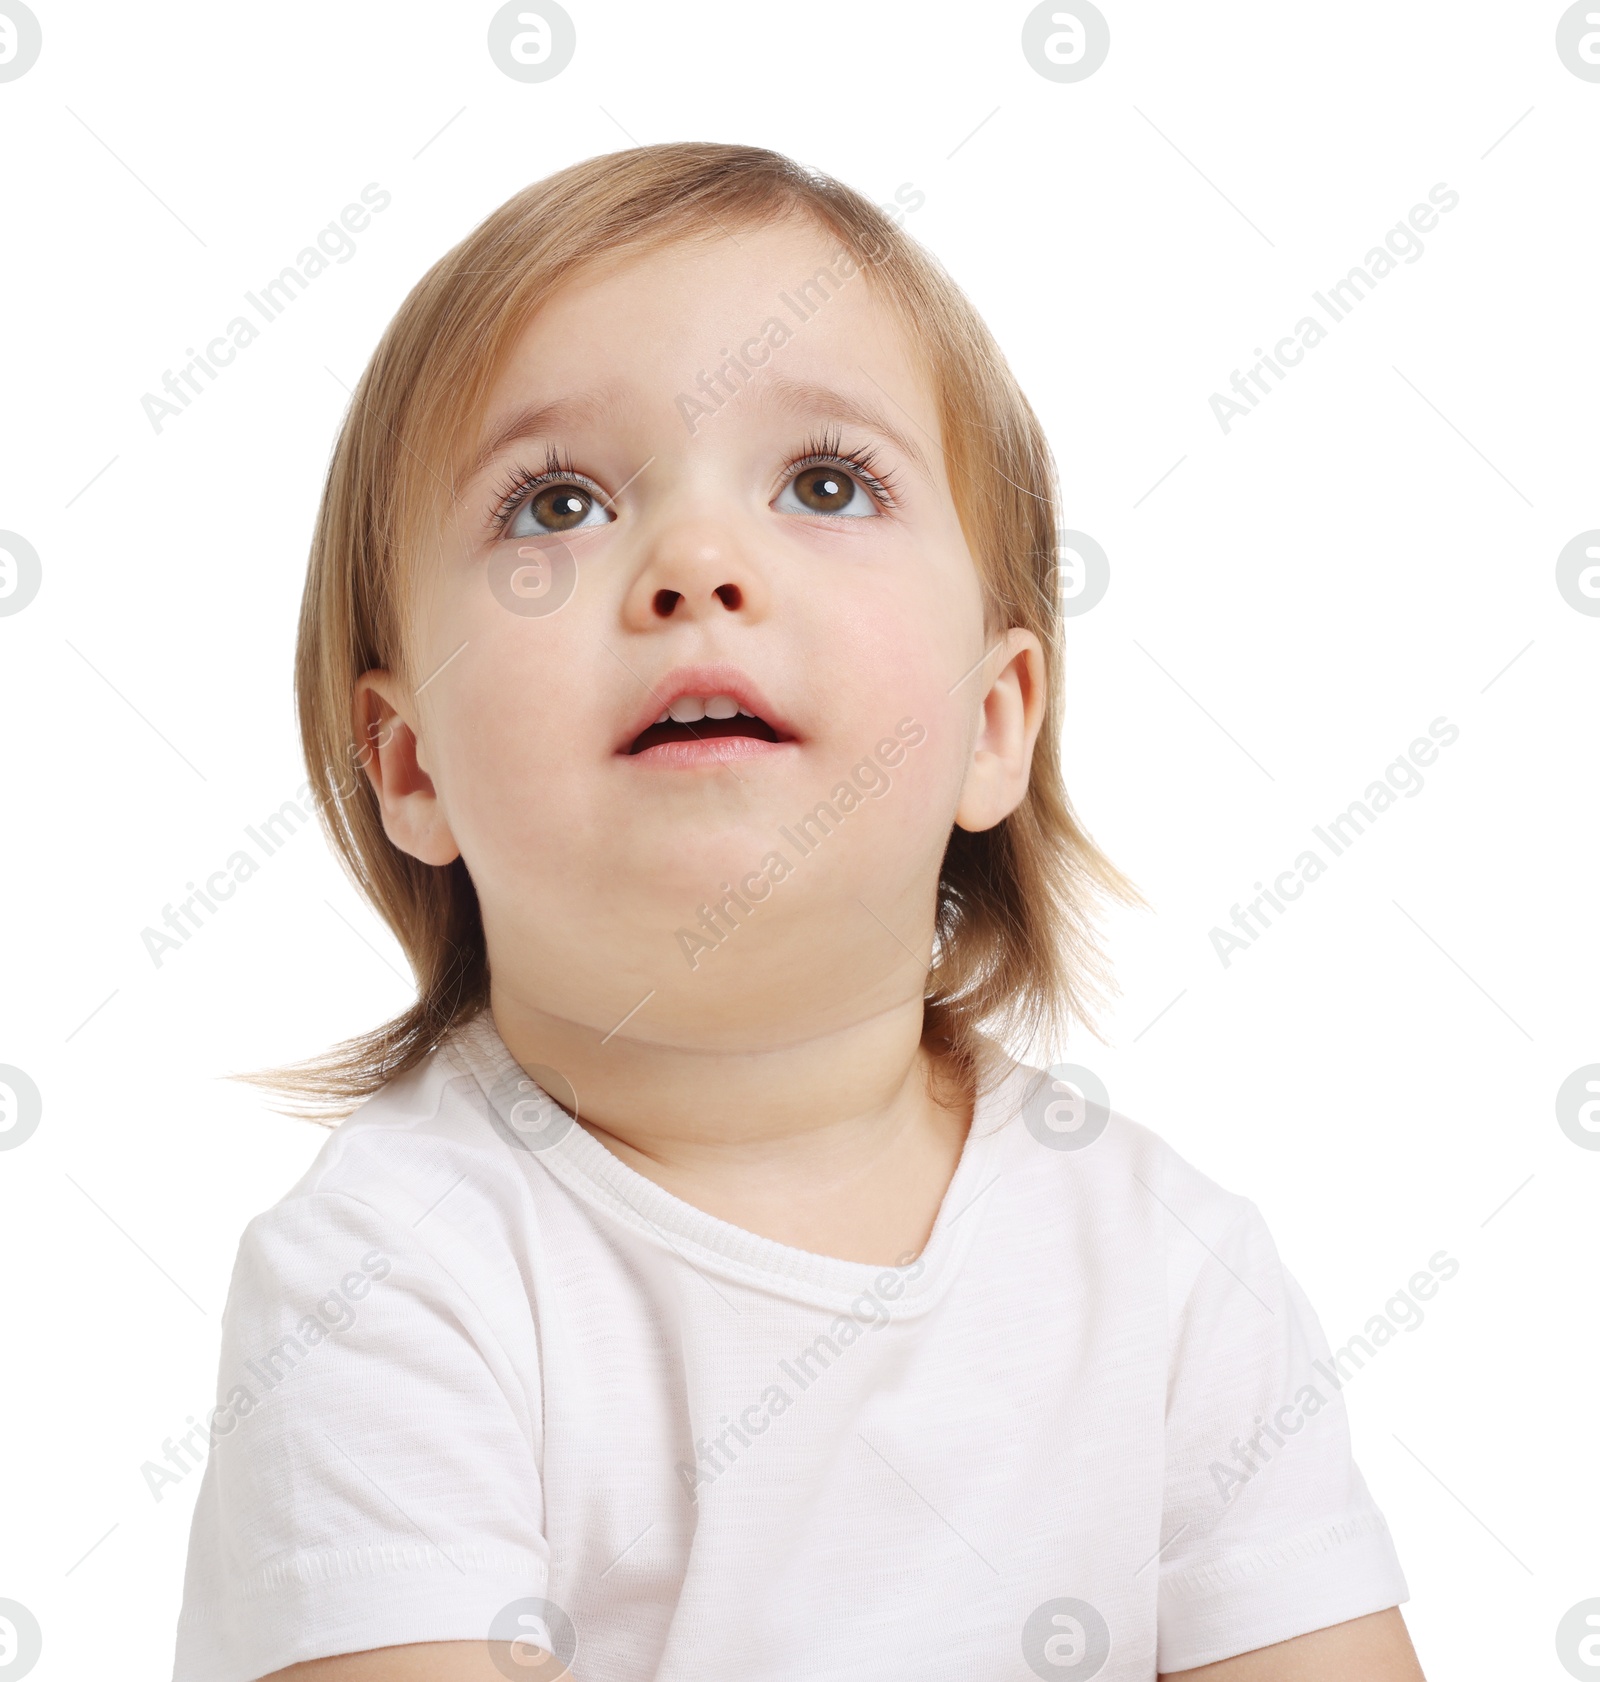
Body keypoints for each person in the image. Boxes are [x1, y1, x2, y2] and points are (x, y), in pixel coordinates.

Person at [172, 142, 1425, 1682]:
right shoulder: (388, 1280)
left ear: (992, 718)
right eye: (555, 502)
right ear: (411, 761)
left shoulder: (1171, 1275)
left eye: (826, 483)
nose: (695, 564)